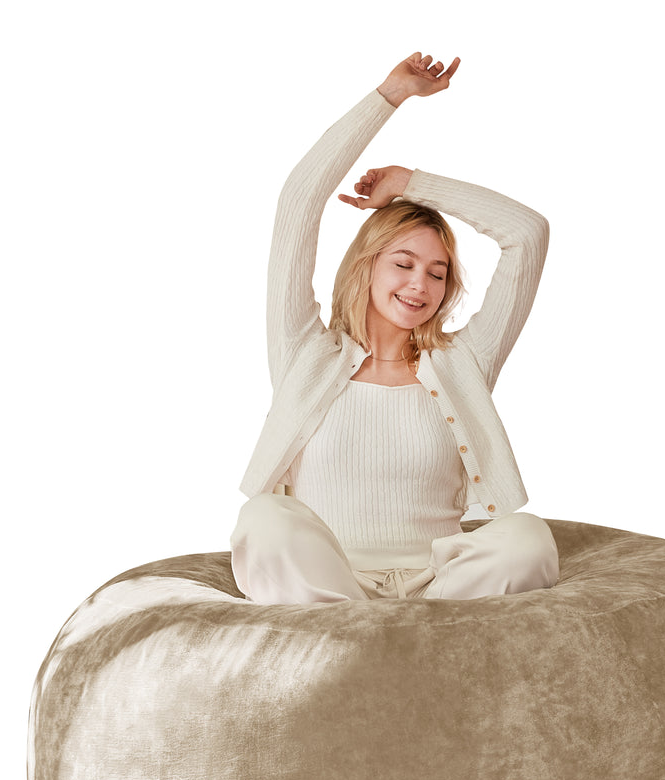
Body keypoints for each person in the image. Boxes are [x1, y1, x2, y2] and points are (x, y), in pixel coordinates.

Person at [231, 52, 559, 603]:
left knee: (526, 537)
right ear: (367, 265)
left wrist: (413, 183)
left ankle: (401, 634)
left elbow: (527, 233)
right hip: (332, 583)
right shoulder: (305, 352)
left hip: (438, 589)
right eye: (403, 263)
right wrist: (389, 97)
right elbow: (298, 201)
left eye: (437, 272)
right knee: (263, 517)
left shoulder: (463, 363)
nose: (420, 285)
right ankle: (355, 631)